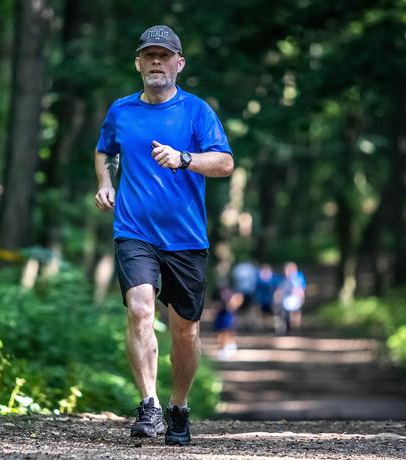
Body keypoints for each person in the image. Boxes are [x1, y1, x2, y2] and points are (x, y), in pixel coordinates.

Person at [93, 25, 233, 446]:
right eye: (149, 55)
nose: (157, 62)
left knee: (184, 330)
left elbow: (225, 164)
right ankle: (149, 404)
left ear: (179, 63)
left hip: (186, 238)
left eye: (164, 55)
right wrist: (105, 181)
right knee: (139, 309)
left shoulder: (196, 112)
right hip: (134, 230)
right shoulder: (121, 110)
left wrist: (184, 158)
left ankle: (179, 406)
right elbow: (105, 150)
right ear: (138, 63)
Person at [274, 262, 306, 335]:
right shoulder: (283, 280)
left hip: (294, 300)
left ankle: (295, 329)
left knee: (294, 314)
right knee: (285, 315)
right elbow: (279, 290)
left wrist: (301, 297)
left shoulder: (298, 279)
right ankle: (288, 329)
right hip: (285, 301)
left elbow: (300, 290)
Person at [212, 284, 240, 359]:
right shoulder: (217, 292)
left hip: (228, 315)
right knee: (221, 332)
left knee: (229, 331)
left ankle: (230, 346)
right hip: (221, 315)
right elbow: (215, 304)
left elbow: (236, 301)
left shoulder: (231, 292)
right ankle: (223, 348)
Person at [254, 263, 279, 331]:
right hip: (261, 301)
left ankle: (273, 327)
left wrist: (276, 298)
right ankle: (262, 328)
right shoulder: (258, 281)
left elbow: (278, 290)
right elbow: (256, 292)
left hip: (271, 301)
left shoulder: (274, 280)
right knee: (261, 314)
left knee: (273, 315)